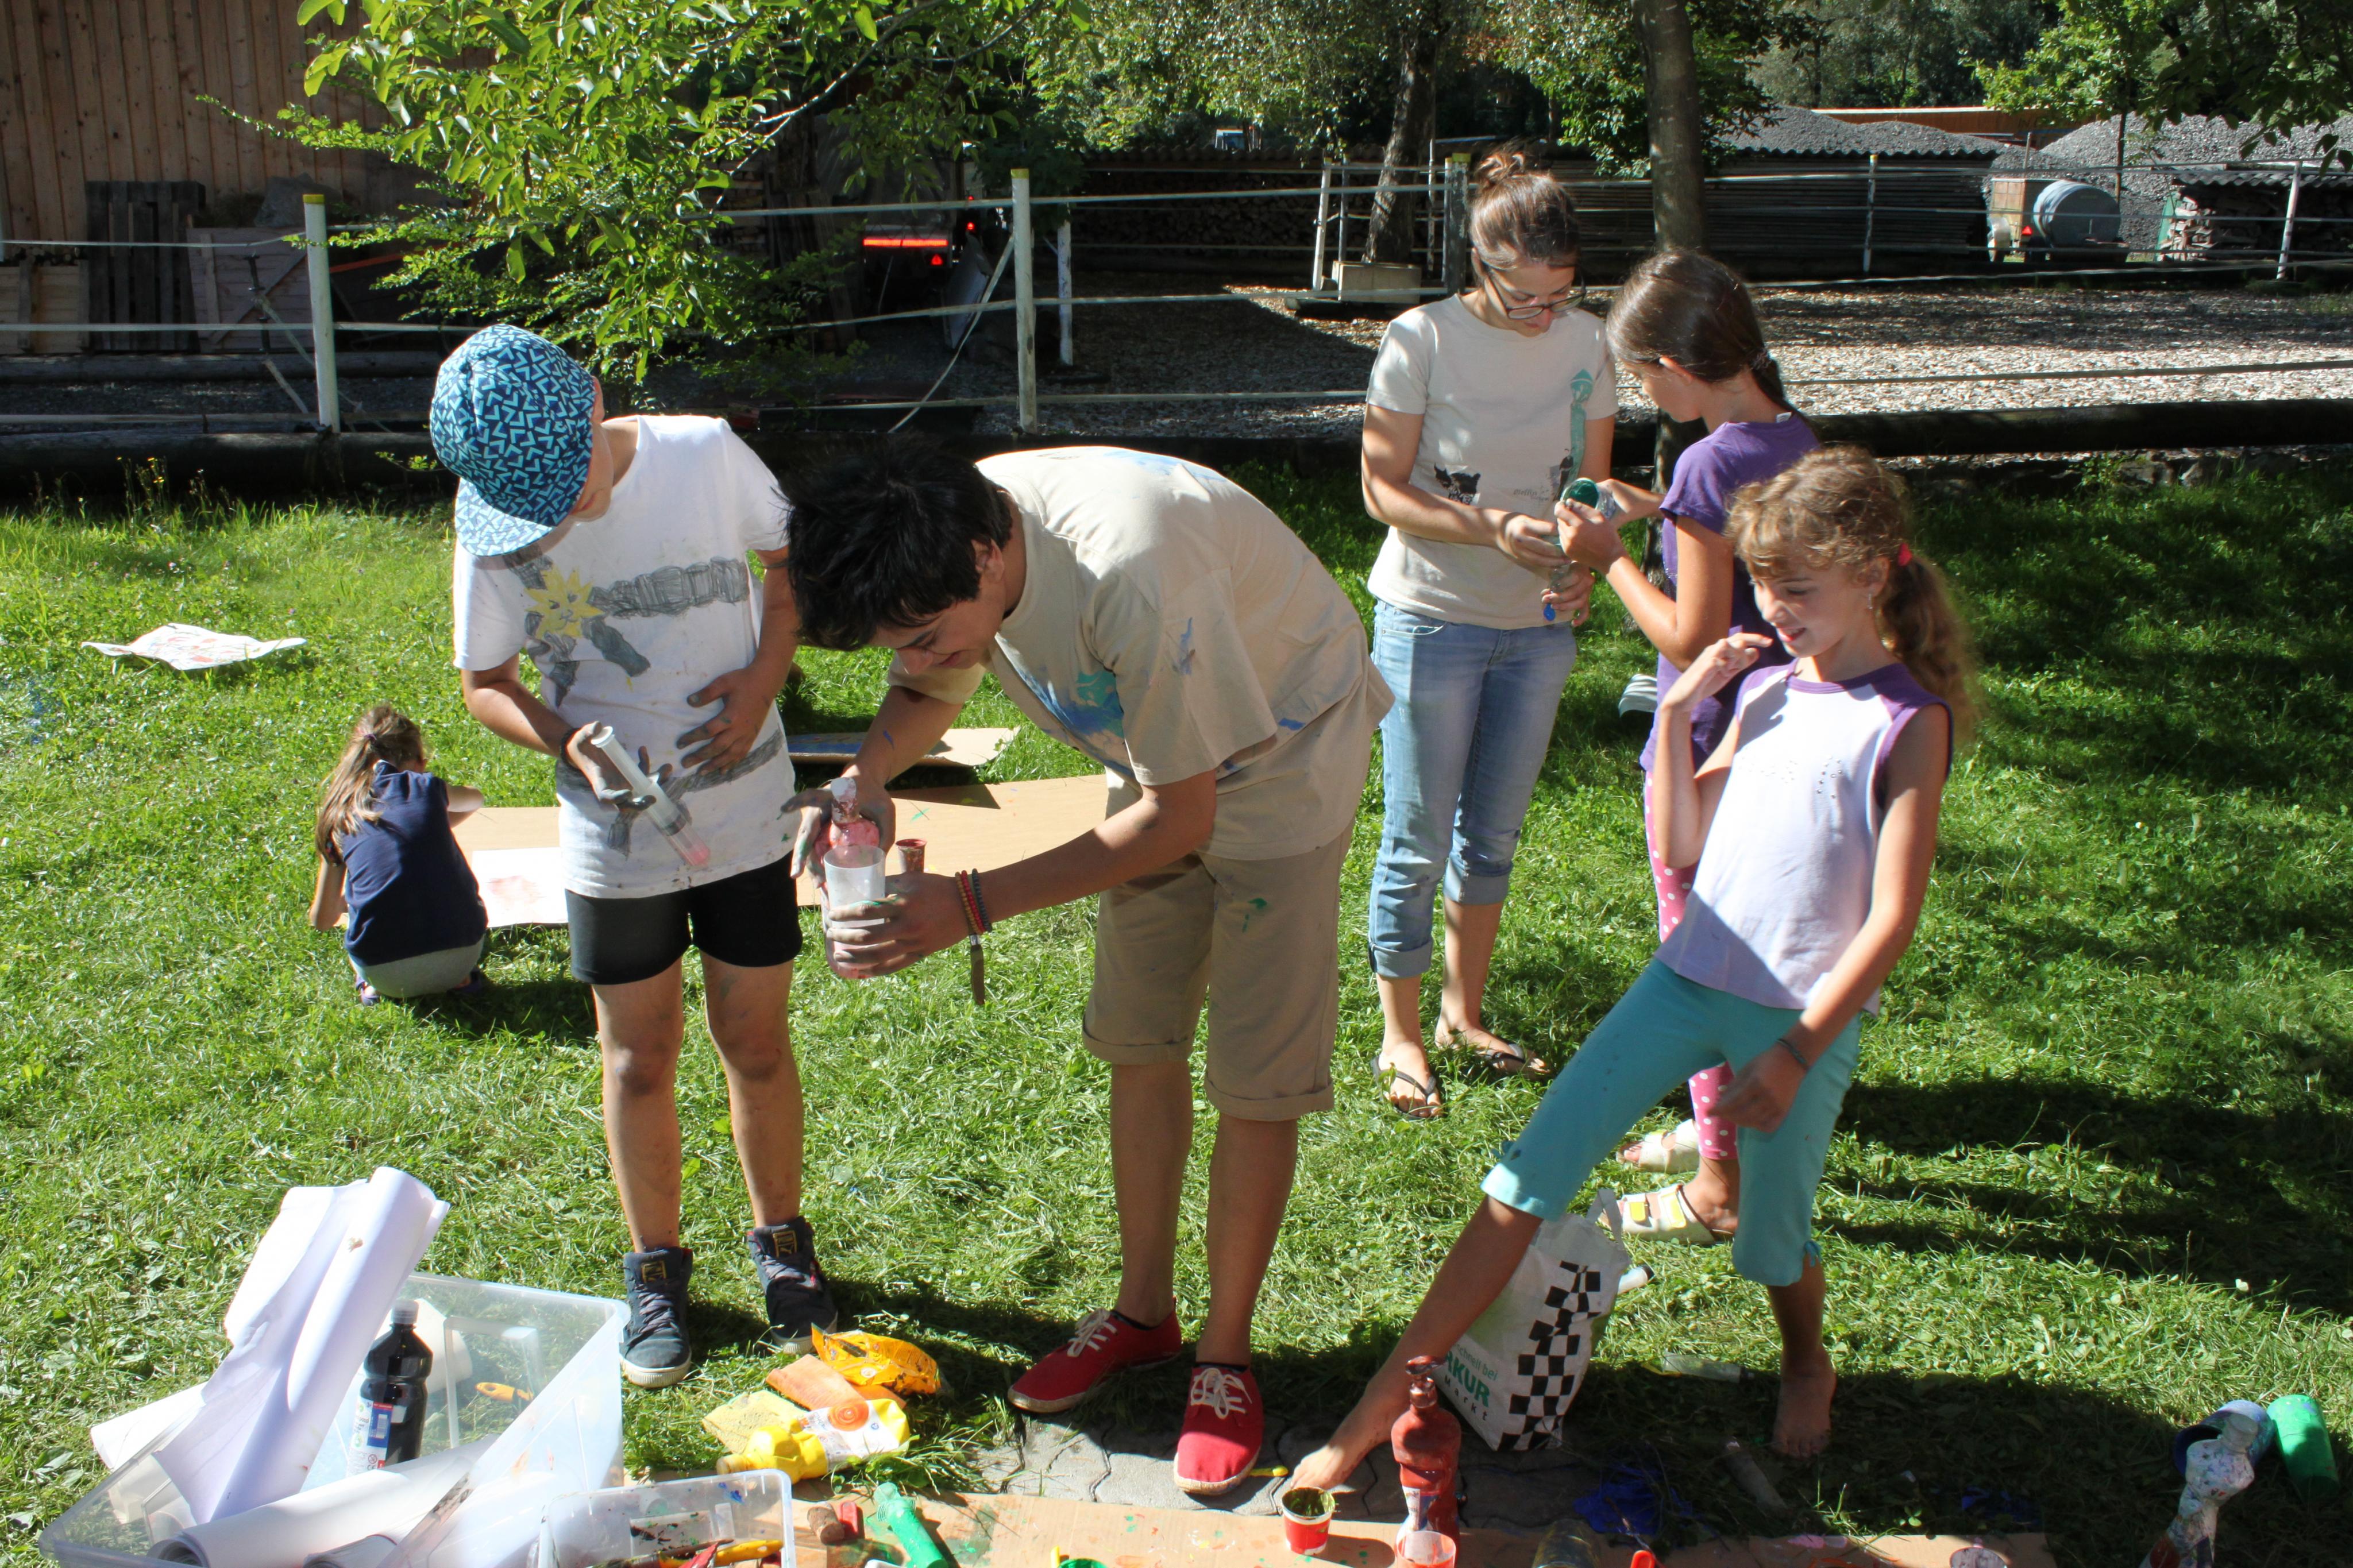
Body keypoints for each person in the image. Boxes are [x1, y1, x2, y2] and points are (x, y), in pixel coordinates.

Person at [1293, 445, 1974, 1480]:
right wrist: (1674, 711)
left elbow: (1892, 920)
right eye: (1766, 585)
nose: (1776, 609)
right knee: (1526, 1173)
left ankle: (1805, 1358)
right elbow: (1683, 845)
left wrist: (1795, 1051)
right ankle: (1373, 1411)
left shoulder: (1909, 720)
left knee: (1770, 1243)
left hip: (1796, 1016)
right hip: (1687, 981)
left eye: (1798, 588)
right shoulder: (1767, 691)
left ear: (1875, 572)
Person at [778, 442, 1389, 1497]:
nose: (916, 655)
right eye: (897, 641)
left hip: (1284, 760)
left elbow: (1180, 819)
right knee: (1136, 1039)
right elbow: (931, 683)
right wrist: (863, 776)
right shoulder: (947, 533)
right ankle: (1145, 1312)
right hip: (1161, 766)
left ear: (988, 555)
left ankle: (1227, 1354)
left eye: (922, 632)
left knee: (1256, 1077)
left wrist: (970, 904)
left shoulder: (1132, 572)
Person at [432, 324, 831, 1388]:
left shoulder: (703, 456)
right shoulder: (495, 520)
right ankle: (656, 1269)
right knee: (637, 1056)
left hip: (743, 813)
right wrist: (567, 742)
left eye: (561, 491)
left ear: (596, 402)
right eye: (528, 509)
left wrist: (763, 682)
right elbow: (486, 683)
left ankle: (783, 1243)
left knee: (756, 1038)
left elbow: (789, 568)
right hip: (613, 843)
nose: (551, 521)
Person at [1552, 249, 1819, 1245]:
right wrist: (1658, 510)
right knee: (1749, 956)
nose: (1642, 394)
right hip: (1780, 737)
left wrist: (1609, 559)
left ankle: (1719, 1186)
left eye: (1640, 377)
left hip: (1706, 751)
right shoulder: (1790, 435)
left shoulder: (1708, 464)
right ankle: (1723, 1128)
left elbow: (1692, 637)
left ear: (1673, 364)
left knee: (1698, 965)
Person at [1358, 140, 1615, 1120]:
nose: (1544, 315)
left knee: (1494, 837)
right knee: (1418, 838)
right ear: (1480, 263)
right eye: (1523, 297)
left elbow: (1588, 488)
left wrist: (1581, 561)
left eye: (1560, 295)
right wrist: (1488, 528)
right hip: (1431, 620)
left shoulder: (1588, 343)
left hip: (1537, 626)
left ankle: (1465, 1017)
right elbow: (1382, 490)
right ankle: (1402, 1035)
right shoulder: (1419, 339)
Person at [309, 704, 490, 1003]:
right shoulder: (426, 786)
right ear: (419, 762)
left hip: (384, 971)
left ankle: (370, 986)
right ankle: (462, 980)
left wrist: (347, 902)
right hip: (462, 956)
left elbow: (323, 920)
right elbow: (475, 799)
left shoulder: (340, 815)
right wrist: (433, 817)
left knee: (361, 911)